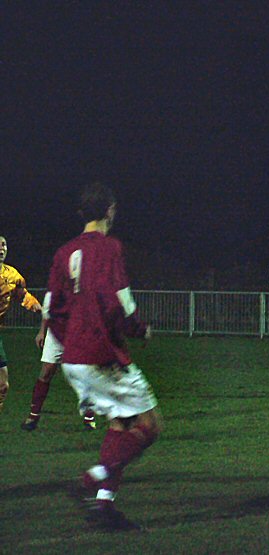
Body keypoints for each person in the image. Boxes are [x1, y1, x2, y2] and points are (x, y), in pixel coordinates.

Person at [46, 182, 161, 530]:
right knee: (150, 426)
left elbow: (52, 310)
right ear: (110, 210)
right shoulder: (110, 247)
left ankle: (104, 505)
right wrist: (139, 330)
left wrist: (71, 345)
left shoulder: (64, 252)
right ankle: (92, 478)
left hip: (73, 358)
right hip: (101, 354)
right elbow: (119, 300)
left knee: (120, 425)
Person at [20, 319, 97, 431]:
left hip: (79, 331)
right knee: (46, 371)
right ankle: (33, 416)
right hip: (55, 332)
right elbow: (48, 308)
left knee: (84, 374)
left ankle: (89, 418)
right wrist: (42, 331)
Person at [0, 235, 42, 413]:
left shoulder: (12, 274)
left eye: (4, 244)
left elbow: (22, 294)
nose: (1, 248)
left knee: (3, 385)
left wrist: (38, 307)